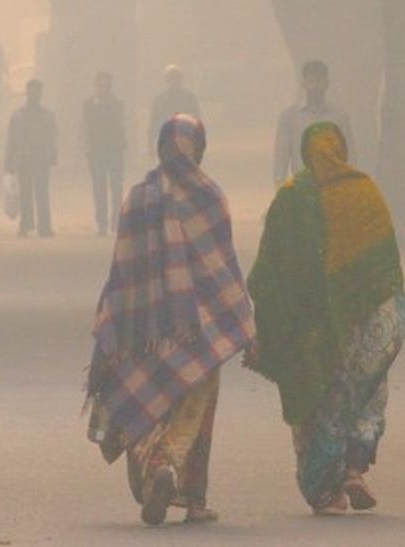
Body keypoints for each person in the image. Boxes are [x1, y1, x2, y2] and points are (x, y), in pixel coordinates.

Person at [85, 114, 257, 526]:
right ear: (199, 148)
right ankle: (192, 496)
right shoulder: (209, 197)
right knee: (197, 410)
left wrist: (112, 321)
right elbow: (224, 267)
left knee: (151, 399)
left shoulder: (137, 198)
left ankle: (156, 471)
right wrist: (243, 322)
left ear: (160, 147)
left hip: (143, 329)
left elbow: (122, 269)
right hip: (201, 329)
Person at [246, 122, 405, 515]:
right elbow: (386, 267)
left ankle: (325, 491)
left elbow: (268, 272)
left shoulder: (291, 198)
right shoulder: (364, 191)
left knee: (318, 402)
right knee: (363, 394)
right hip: (365, 322)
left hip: (310, 330)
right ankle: (354, 469)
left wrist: (267, 326)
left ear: (304, 153)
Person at [272, 60, 355, 186]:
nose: (315, 86)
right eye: (311, 81)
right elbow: (281, 155)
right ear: (303, 84)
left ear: (327, 84)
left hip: (332, 185)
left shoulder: (339, 118)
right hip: (302, 185)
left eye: (319, 81)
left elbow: (349, 155)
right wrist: (280, 184)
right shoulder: (289, 117)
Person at [4, 79, 57, 238]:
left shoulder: (47, 116)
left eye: (37, 91)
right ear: (27, 92)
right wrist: (8, 161)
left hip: (41, 160)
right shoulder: (18, 115)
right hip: (23, 159)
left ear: (41, 94)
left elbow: (52, 137)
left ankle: (44, 226)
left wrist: (52, 156)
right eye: (32, 91)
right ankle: (26, 224)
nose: (35, 94)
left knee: (42, 194)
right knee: (25, 193)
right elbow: (11, 139)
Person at [81, 71, 126, 236]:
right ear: (95, 86)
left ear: (110, 87)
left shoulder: (117, 104)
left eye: (106, 85)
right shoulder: (88, 105)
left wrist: (121, 143)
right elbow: (84, 127)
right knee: (99, 188)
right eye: (100, 85)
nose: (103, 88)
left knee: (116, 187)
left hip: (114, 150)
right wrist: (86, 146)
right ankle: (102, 222)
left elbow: (121, 126)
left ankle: (116, 221)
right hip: (96, 151)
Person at [147, 65, 201, 152]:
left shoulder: (187, 97)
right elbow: (154, 123)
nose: (174, 82)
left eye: (175, 79)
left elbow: (196, 118)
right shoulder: (188, 97)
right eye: (172, 79)